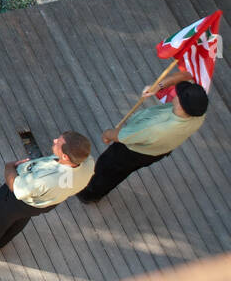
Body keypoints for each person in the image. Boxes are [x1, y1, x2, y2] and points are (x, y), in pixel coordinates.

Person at [0, 131, 94, 255]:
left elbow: (16, 188)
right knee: (20, 219)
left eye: (58, 143)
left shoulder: (46, 180)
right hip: (44, 202)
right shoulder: (88, 163)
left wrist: (9, 167)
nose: (55, 140)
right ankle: (0, 242)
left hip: (18, 200)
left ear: (65, 157)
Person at [79, 80, 208, 203]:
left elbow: (122, 136)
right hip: (156, 151)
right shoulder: (198, 115)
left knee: (108, 170)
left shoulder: (156, 128)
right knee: (120, 172)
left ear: (180, 104)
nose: (175, 92)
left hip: (131, 152)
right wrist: (160, 86)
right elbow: (182, 77)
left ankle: (90, 194)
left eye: (178, 94)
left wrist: (107, 134)